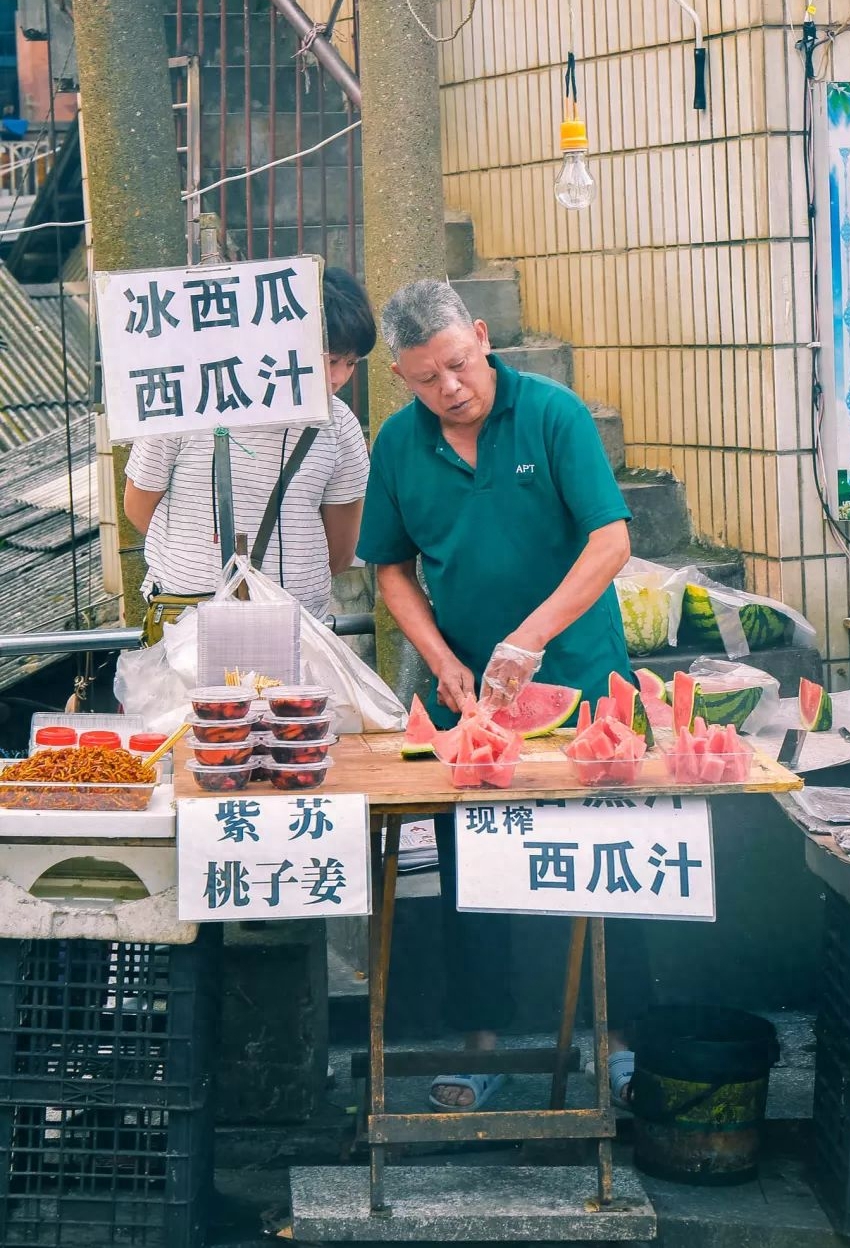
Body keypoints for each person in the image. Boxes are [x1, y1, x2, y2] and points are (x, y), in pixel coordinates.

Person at [358, 278, 647, 1113]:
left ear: (481, 337)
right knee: (472, 877)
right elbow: (390, 568)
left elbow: (611, 539)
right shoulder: (399, 445)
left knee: (609, 874)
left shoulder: (553, 414)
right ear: (404, 380)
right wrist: (441, 658)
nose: (449, 388)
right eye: (425, 379)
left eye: (457, 365)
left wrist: (534, 636)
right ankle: (481, 1045)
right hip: (473, 705)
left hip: (586, 688)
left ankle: (622, 1045)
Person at [124, 266, 375, 625]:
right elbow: (138, 504)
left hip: (297, 627)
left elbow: (339, 552)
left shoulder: (341, 426)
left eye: (351, 363)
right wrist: (196, 554)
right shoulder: (186, 401)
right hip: (189, 625)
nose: (339, 377)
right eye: (331, 360)